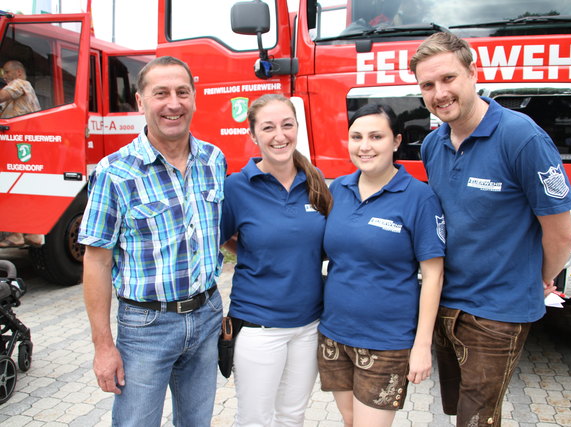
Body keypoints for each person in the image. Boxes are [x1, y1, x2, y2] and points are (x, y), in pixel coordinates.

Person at [410, 32, 571, 426]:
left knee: (477, 418)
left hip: (497, 313)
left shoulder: (521, 137)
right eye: (428, 85)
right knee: (458, 410)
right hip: (446, 304)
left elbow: (561, 233)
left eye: (448, 79)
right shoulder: (433, 145)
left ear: (472, 73)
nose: (439, 93)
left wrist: (539, 280)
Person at [78, 56, 226, 427]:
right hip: (146, 327)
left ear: (194, 98)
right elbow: (96, 261)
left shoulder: (214, 160)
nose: (173, 103)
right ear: (141, 102)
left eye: (182, 92)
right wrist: (103, 347)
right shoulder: (115, 172)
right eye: (161, 93)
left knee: (197, 423)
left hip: (207, 315)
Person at [318, 103, 445, 427]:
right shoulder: (338, 191)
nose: (365, 146)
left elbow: (433, 274)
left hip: (386, 341)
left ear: (396, 140)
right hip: (334, 335)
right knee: (349, 420)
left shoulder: (419, 197)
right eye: (356, 136)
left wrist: (421, 345)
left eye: (376, 136)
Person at [221, 93, 332, 426]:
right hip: (259, 327)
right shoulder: (236, 187)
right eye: (268, 128)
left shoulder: (315, 182)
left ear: (298, 128)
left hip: (310, 325)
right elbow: (222, 239)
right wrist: (254, 255)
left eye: (287, 125)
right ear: (253, 135)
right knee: (255, 419)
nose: (279, 135)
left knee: (292, 416)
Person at [0, 60, 43, 248]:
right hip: (27, 142)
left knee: (9, 185)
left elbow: (3, 95)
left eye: (7, 72)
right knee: (23, 188)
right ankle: (33, 233)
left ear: (18, 72)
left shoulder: (21, 84)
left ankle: (17, 234)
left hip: (18, 142)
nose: (4, 75)